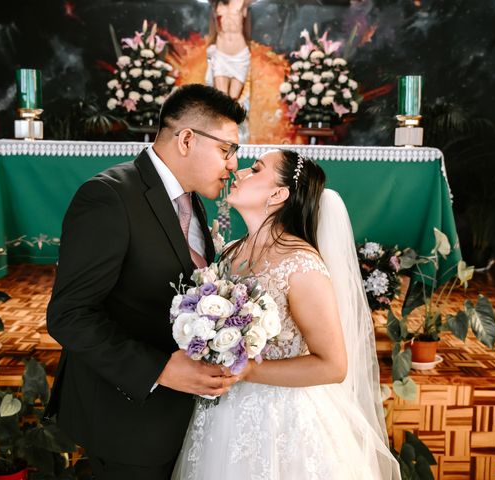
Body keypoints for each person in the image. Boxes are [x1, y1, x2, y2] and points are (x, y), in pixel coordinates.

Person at [45, 84, 247, 480]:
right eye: (227, 150)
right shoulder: (108, 197)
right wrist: (159, 370)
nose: (233, 165)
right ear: (186, 138)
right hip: (126, 420)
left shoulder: (192, 199)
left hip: (176, 416)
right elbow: (69, 315)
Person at [172, 149, 401, 479]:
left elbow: (333, 365)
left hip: (281, 422)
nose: (239, 172)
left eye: (256, 169)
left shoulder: (301, 265)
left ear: (279, 194)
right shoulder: (231, 251)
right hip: (222, 415)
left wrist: (248, 370)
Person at [206, 0, 252, 100]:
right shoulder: (216, 4)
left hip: (240, 56)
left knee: (234, 97)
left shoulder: (242, 2)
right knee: (222, 96)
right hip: (221, 55)